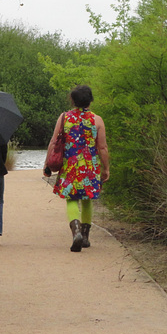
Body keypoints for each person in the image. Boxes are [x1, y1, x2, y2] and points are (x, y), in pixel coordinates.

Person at [43, 85, 110, 252]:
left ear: (72, 100)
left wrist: (47, 163)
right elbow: (102, 148)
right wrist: (106, 168)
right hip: (90, 166)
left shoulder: (64, 118)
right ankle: (86, 236)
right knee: (87, 199)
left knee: (71, 199)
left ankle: (76, 232)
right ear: (90, 100)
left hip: (70, 165)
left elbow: (53, 142)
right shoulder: (97, 120)